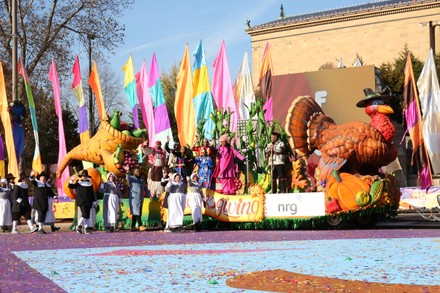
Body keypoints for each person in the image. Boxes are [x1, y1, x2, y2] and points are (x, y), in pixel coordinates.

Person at [68, 170, 97, 234]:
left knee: (87, 215)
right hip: (81, 201)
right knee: (84, 214)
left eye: (86, 176)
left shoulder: (89, 184)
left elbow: (92, 193)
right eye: (83, 176)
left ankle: (86, 228)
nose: (84, 177)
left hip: (88, 201)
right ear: (82, 177)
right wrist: (72, 180)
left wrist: (94, 201)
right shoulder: (79, 183)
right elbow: (70, 186)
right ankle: (78, 226)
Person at [124, 166, 147, 231]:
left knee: (137, 211)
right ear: (133, 172)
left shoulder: (142, 180)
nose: (138, 172)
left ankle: (133, 226)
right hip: (134, 198)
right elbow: (127, 178)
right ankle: (140, 225)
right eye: (136, 171)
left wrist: (149, 195)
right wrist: (127, 171)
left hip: (140, 197)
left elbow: (145, 188)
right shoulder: (132, 178)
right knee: (137, 211)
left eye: (138, 171)